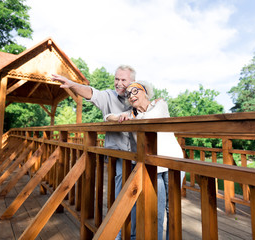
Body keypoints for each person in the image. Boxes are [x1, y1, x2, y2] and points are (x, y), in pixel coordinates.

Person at [51, 65, 137, 240]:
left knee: (138, 196)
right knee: (121, 195)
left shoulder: (137, 96)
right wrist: (72, 84)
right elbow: (91, 92)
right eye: (116, 79)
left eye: (123, 80)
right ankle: (117, 233)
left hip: (139, 155)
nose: (118, 83)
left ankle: (132, 233)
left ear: (132, 82)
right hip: (119, 157)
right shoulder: (108, 96)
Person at [105, 81, 185, 240]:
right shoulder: (129, 114)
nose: (131, 95)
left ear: (146, 92)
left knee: (173, 208)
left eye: (135, 91)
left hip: (173, 162)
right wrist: (119, 116)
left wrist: (130, 117)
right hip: (153, 166)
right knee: (156, 209)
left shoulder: (160, 104)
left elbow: (150, 119)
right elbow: (107, 117)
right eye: (128, 94)